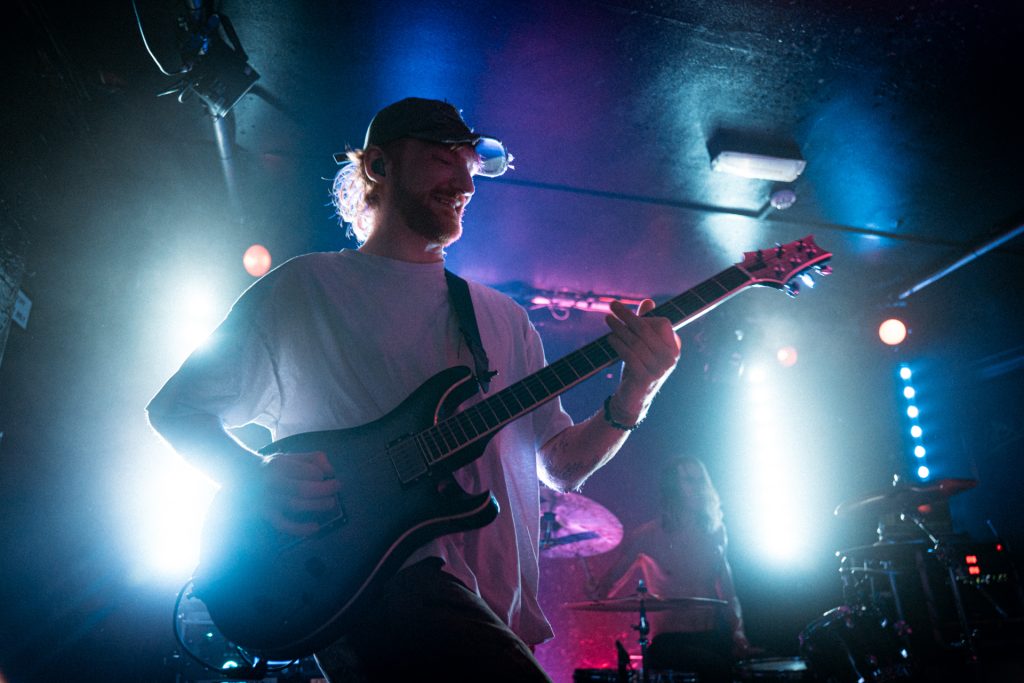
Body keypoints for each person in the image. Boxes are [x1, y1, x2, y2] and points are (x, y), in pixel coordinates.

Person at [146, 97, 681, 682]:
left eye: (469, 166)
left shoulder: (503, 319)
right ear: (378, 166)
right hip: (371, 591)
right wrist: (251, 474)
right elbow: (178, 409)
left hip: (496, 614)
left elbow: (560, 466)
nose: (465, 183)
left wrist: (635, 393)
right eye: (441, 159)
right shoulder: (306, 288)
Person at [591, 456, 754, 682]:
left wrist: (738, 633)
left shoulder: (716, 532)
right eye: (689, 481)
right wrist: (596, 590)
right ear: (672, 488)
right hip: (670, 643)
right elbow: (607, 587)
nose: (698, 487)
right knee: (714, 668)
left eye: (701, 480)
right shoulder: (647, 536)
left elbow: (729, 593)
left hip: (713, 635)